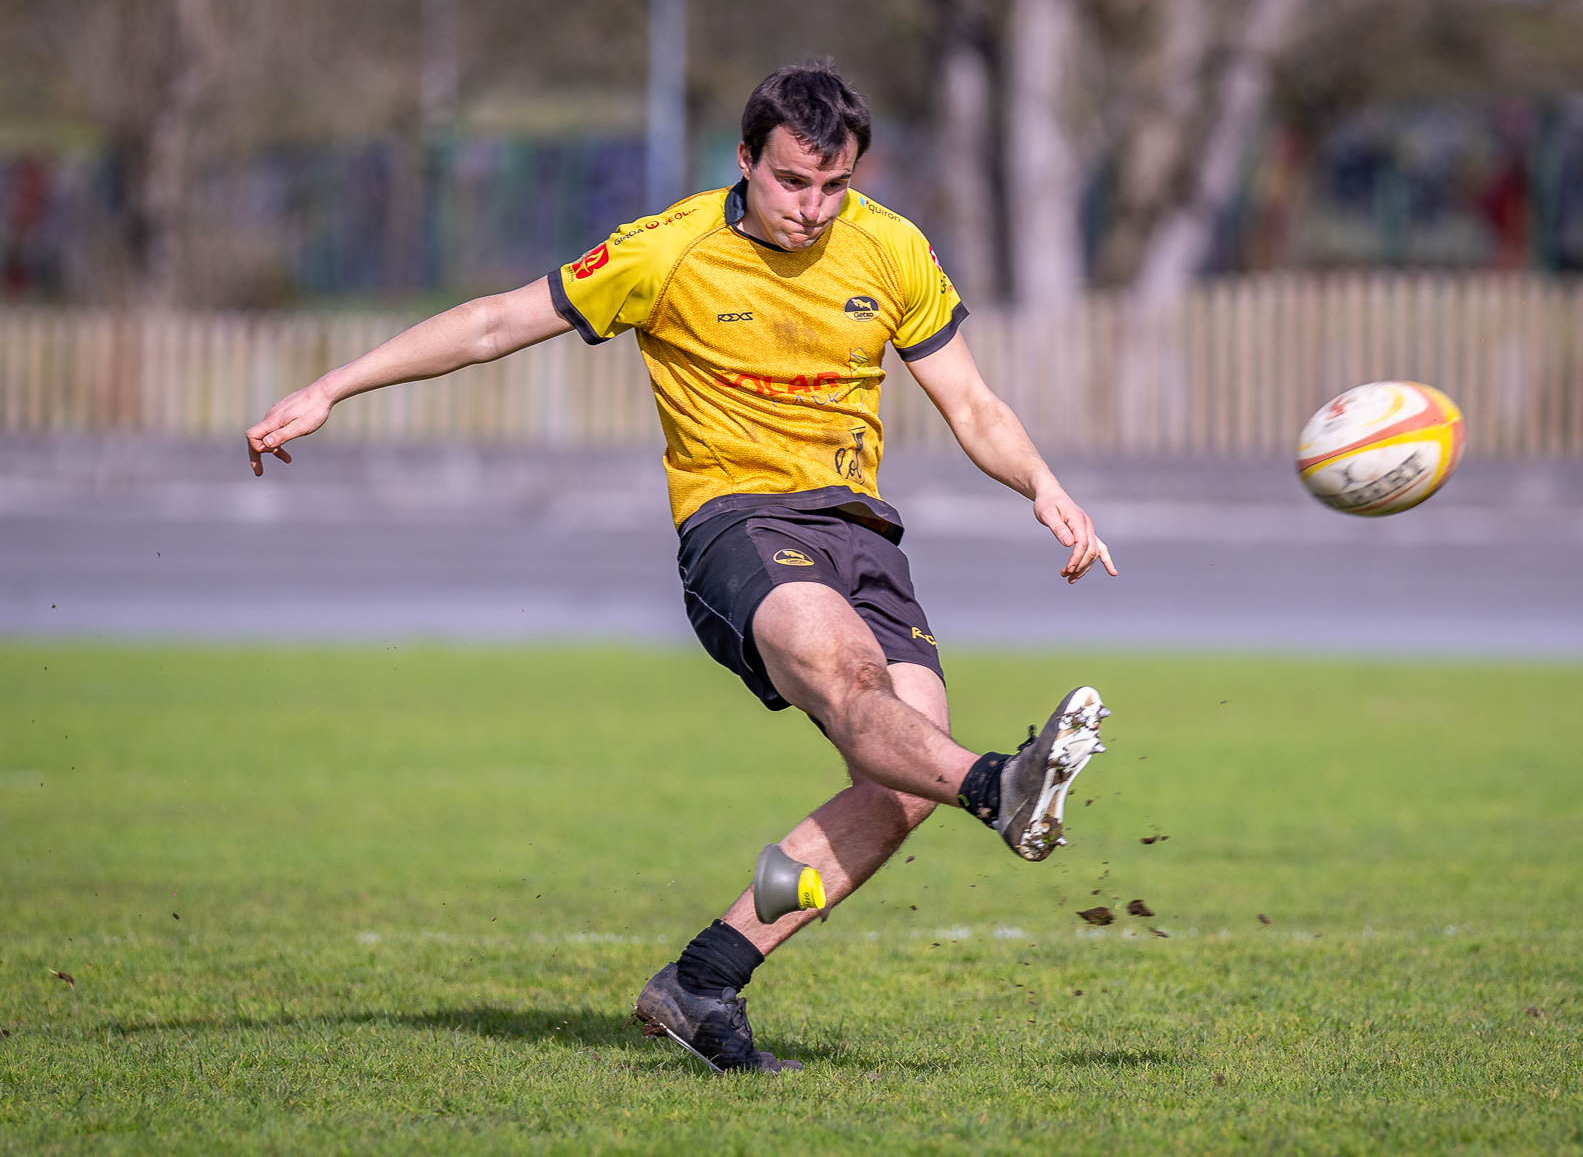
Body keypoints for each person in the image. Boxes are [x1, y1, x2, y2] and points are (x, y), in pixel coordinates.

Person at [246, 62, 1118, 1074]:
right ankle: (1004, 786)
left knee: (900, 777)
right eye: (793, 181)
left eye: (834, 186)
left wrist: (1043, 486)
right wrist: (333, 386)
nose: (813, 208)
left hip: (861, 535)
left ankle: (702, 983)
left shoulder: (892, 248)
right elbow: (493, 322)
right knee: (859, 688)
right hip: (738, 528)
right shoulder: (667, 251)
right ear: (744, 160)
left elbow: (973, 406)